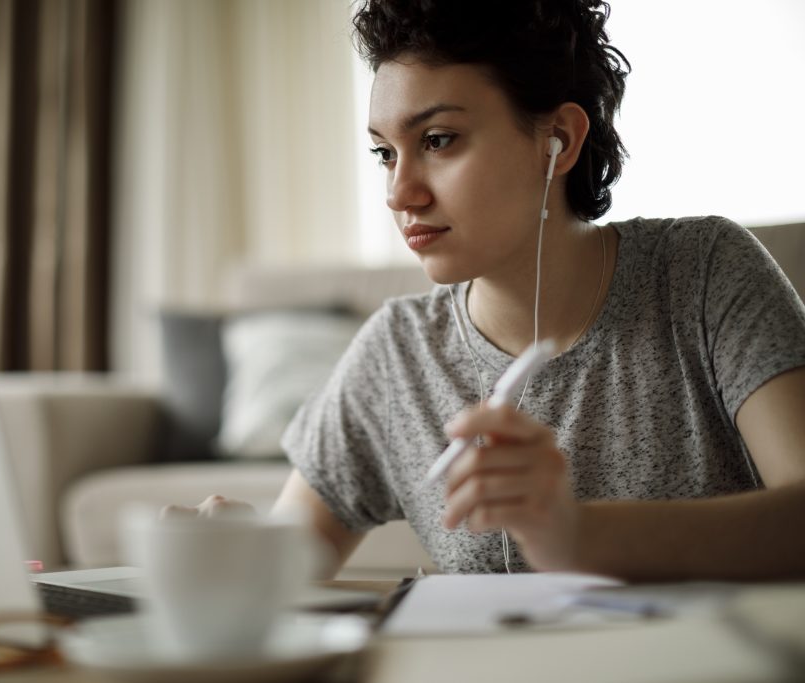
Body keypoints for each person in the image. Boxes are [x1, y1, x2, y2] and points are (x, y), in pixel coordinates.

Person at [172, 0, 805, 581]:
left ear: (557, 141)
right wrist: (233, 550)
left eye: (437, 140)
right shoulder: (397, 353)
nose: (399, 193)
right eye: (385, 153)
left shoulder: (703, 274)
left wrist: (575, 535)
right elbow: (288, 563)